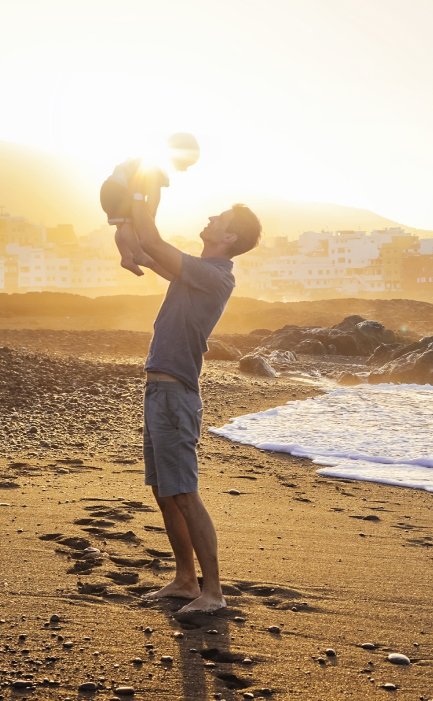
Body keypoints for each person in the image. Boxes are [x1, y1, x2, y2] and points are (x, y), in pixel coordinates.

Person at [130, 198, 262, 613]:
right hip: (159, 391)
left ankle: (213, 593)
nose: (209, 218)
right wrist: (128, 225)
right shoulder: (194, 273)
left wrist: (141, 195)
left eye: (218, 218)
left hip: (175, 396)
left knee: (184, 493)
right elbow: (146, 248)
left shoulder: (215, 275)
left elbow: (151, 239)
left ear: (229, 237)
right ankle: (186, 581)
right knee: (164, 493)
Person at [100, 132, 200, 276]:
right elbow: (154, 194)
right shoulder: (157, 167)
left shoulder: (150, 160)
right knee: (127, 225)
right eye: (185, 164)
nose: (184, 169)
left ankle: (127, 257)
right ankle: (137, 254)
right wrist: (150, 218)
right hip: (117, 191)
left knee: (122, 225)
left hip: (110, 190)